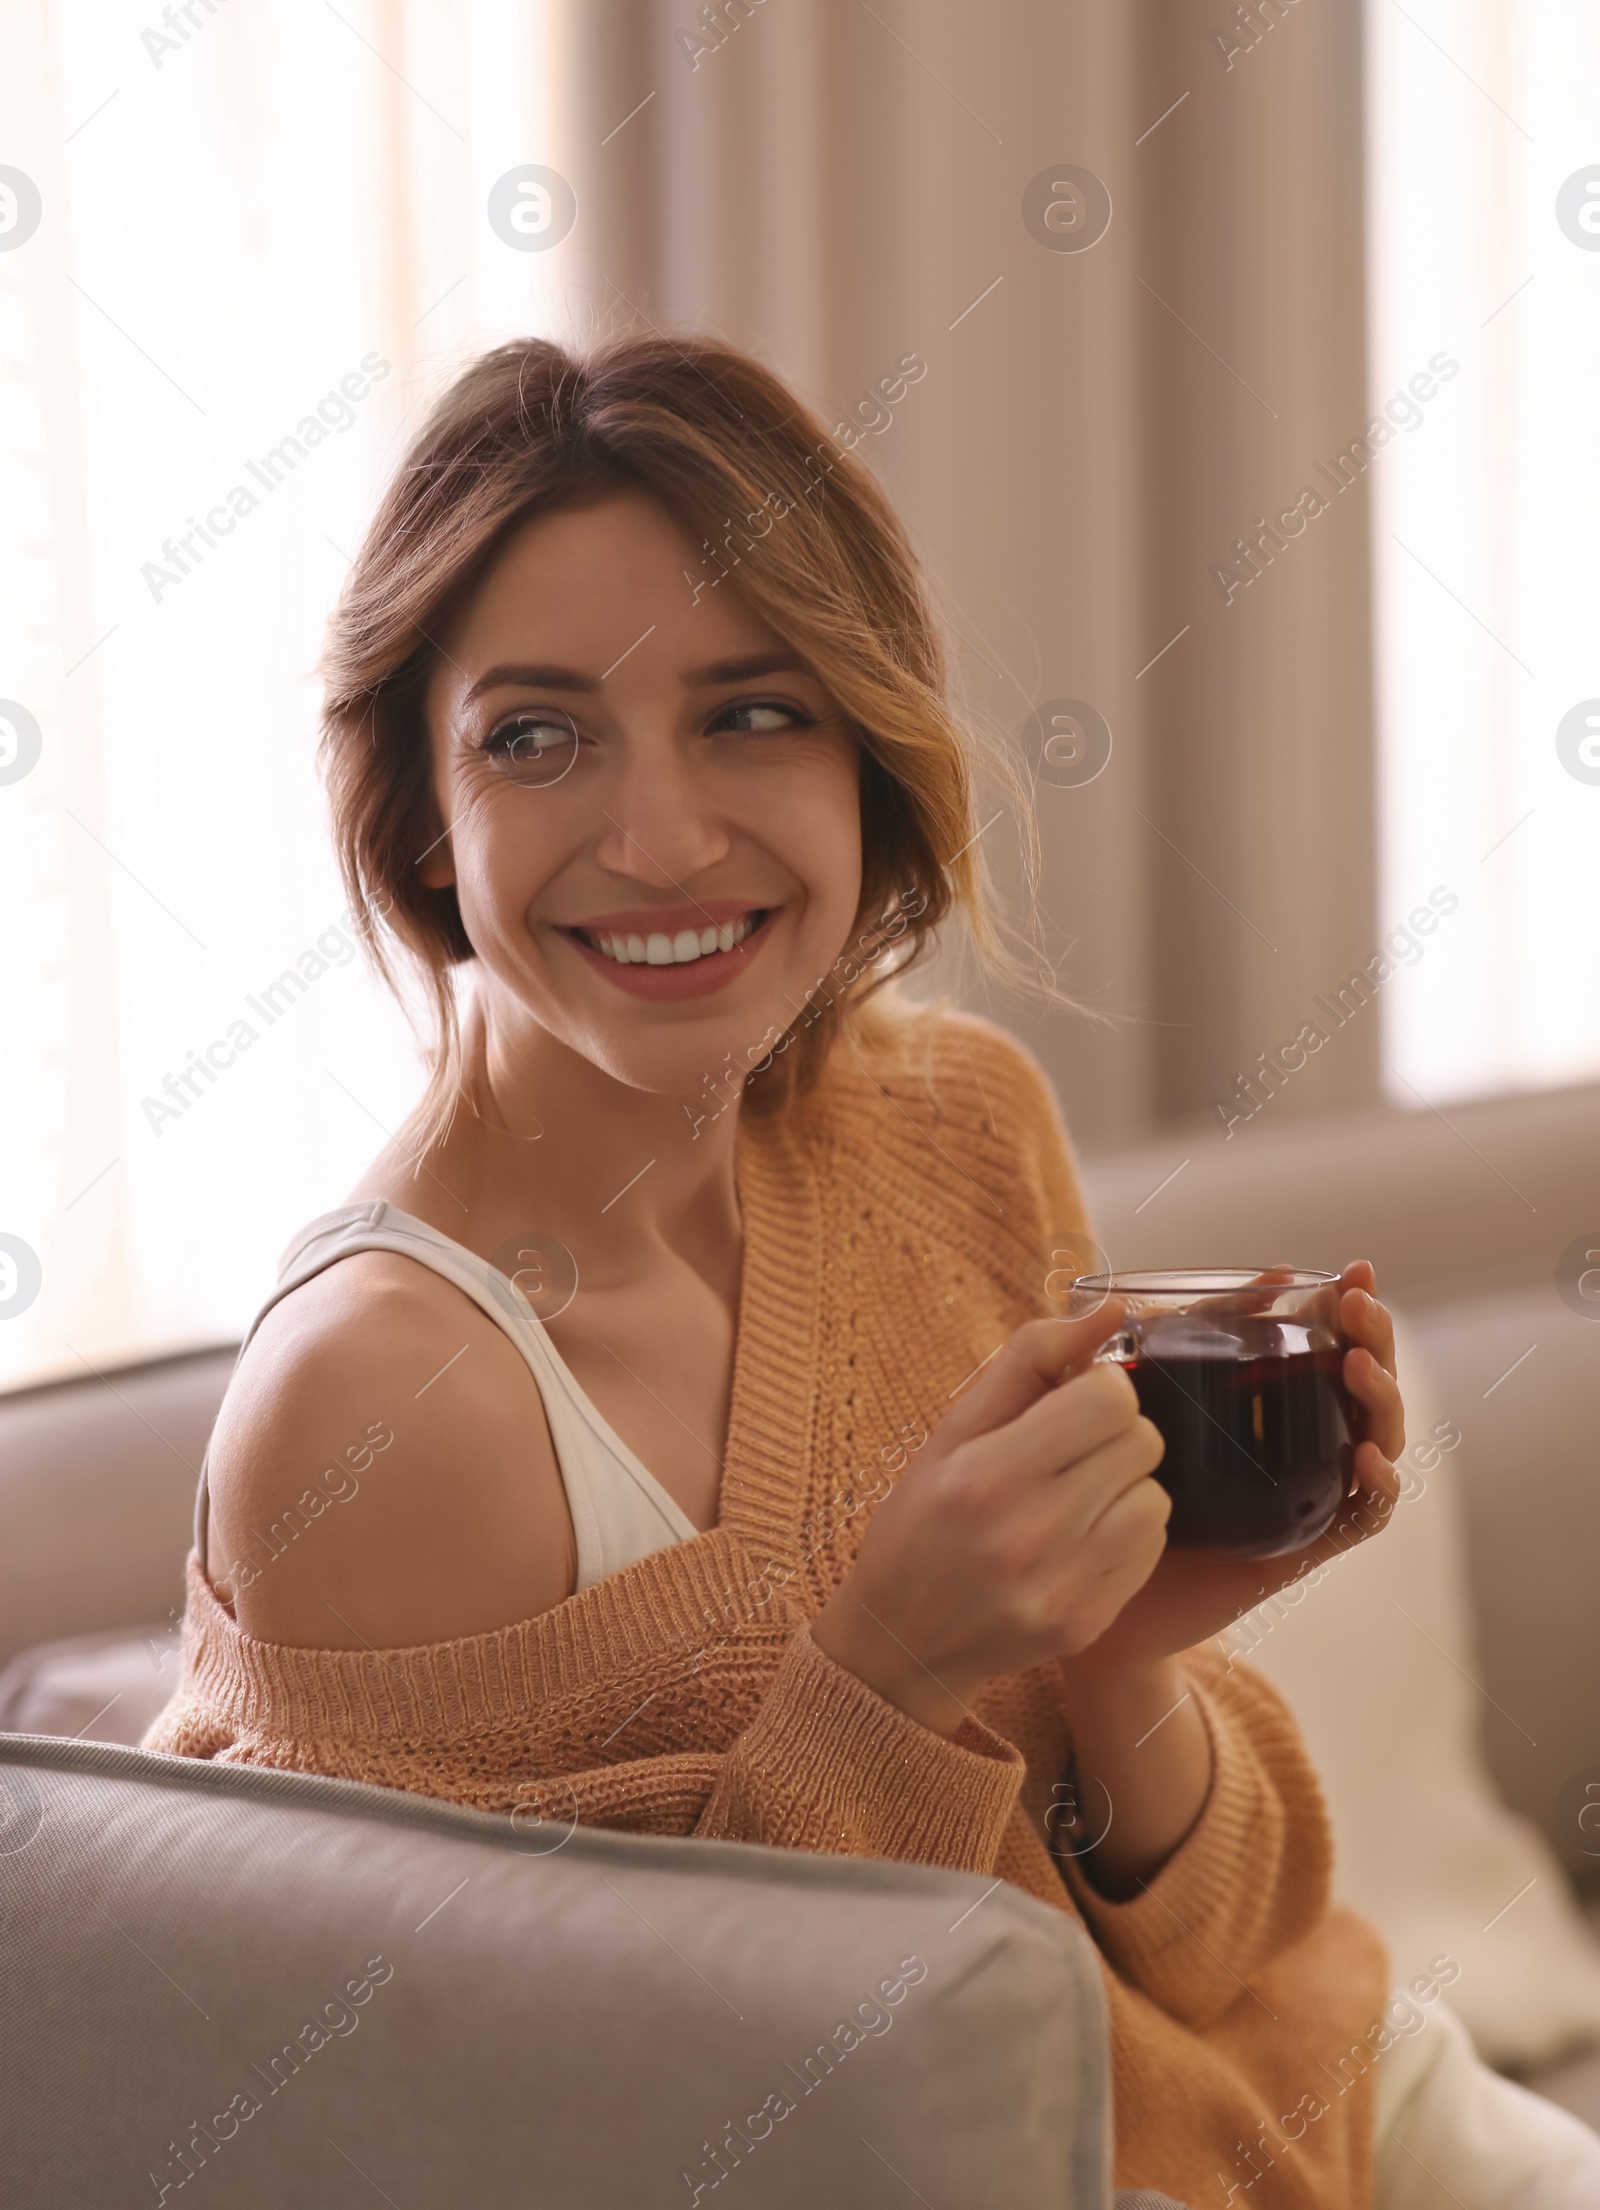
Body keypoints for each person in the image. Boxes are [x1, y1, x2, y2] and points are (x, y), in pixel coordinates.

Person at [143, 335, 1600, 2208]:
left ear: (867, 749)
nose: (662, 838)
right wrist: (889, 1674)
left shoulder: (950, 1122)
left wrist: (1115, 1661)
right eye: (537, 733)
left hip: (1335, 2118)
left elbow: (1241, 1952)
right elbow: (613, 2142)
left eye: (753, 712)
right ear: (425, 810)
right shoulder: (384, 1412)